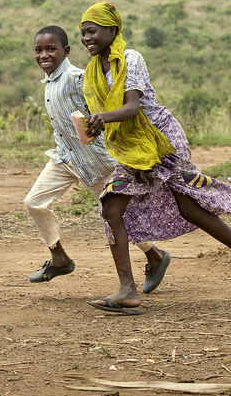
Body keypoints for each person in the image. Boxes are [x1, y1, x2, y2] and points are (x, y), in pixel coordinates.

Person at [78, 1, 231, 315]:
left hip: (162, 140)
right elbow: (117, 123)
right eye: (83, 33)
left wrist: (103, 118)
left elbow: (130, 108)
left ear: (112, 30)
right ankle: (128, 289)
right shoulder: (93, 72)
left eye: (93, 30)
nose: (87, 37)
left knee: (186, 204)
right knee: (112, 206)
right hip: (135, 148)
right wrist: (124, 152)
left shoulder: (130, 58)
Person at [25, 25, 172, 293]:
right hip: (64, 159)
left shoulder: (78, 78)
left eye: (51, 49)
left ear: (66, 51)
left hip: (97, 162)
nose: (44, 55)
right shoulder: (49, 82)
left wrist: (128, 152)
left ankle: (155, 256)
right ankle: (59, 257)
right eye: (38, 50)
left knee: (116, 218)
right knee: (34, 202)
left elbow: (107, 109)